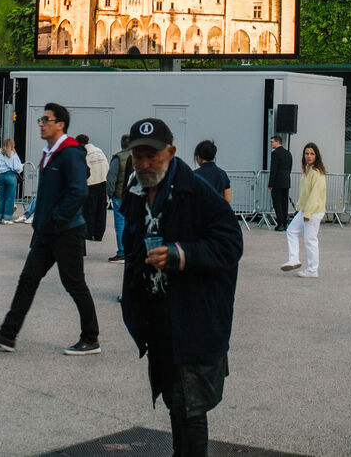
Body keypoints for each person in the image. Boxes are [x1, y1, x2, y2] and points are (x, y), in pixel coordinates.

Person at [120, 116, 242, 457]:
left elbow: (231, 244)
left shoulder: (198, 192)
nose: (145, 163)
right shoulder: (135, 190)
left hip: (194, 316)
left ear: (171, 152)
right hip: (159, 314)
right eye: (138, 156)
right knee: (176, 398)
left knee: (190, 407)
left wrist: (181, 254)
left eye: (153, 156)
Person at [0, 102, 99, 356]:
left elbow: (78, 191)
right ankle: (8, 334)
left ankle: (91, 339)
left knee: (74, 284)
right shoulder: (50, 153)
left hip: (66, 232)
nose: (41, 124)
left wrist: (57, 218)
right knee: (28, 279)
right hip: (46, 233)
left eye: (46, 120)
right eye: (41, 120)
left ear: (60, 124)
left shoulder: (70, 152)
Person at [281, 143, 326, 278]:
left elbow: (315, 195)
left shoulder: (317, 173)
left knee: (310, 240)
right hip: (305, 210)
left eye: (312, 154)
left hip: (313, 211)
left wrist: (307, 213)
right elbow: (305, 193)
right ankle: (294, 259)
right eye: (306, 153)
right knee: (291, 230)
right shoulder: (307, 170)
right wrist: (300, 208)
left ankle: (312, 269)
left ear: (317, 156)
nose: (309, 156)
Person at [106, 134, 134, 260]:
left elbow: (111, 177)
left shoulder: (118, 158)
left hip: (119, 196)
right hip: (134, 195)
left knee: (120, 224)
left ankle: (122, 252)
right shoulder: (137, 156)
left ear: (121, 144)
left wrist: (110, 193)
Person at [81, 133, 109, 241]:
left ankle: (89, 232)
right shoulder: (99, 151)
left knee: (89, 210)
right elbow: (107, 166)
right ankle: (99, 234)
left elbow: (83, 169)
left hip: (91, 183)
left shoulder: (84, 153)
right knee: (101, 210)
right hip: (102, 182)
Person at [267, 135, 292, 231]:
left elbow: (274, 169)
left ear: (277, 142)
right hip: (286, 181)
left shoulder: (275, 153)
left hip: (277, 182)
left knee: (277, 203)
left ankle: (280, 223)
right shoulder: (288, 153)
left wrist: (270, 183)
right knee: (284, 203)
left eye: (272, 142)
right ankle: (285, 223)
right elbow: (289, 167)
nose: (271, 143)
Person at [0, 138, 22, 224]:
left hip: (1, 175)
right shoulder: (13, 154)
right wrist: (22, 166)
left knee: (1, 198)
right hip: (10, 175)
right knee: (9, 198)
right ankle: (7, 219)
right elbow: (17, 168)